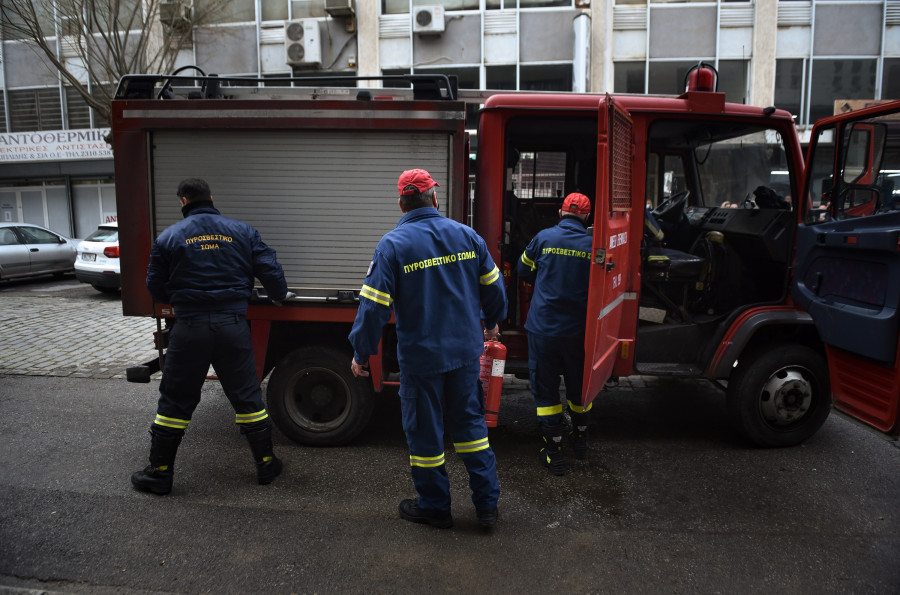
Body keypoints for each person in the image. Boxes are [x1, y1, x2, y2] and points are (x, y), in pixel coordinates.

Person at [348, 169, 507, 530]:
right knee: (471, 429)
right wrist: (493, 321)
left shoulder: (392, 246)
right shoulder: (467, 237)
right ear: (434, 198)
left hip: (421, 360)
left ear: (401, 204)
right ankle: (487, 508)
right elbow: (495, 288)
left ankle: (435, 507)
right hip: (465, 355)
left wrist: (361, 353)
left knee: (425, 435)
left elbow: (372, 307)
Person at [131, 178, 292, 495]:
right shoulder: (242, 231)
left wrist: (180, 299)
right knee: (247, 396)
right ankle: (265, 464)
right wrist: (278, 294)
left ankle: (160, 473)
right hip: (232, 325)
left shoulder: (169, 237)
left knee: (176, 400)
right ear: (211, 197)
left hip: (189, 327)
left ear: (183, 201)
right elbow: (271, 272)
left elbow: (155, 286)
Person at [517, 192, 593, 476]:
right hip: (579, 332)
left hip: (544, 329)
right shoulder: (593, 245)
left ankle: (553, 454)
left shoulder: (544, 238)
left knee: (546, 389)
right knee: (579, 389)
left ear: (561, 213)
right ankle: (581, 442)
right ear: (586, 217)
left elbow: (524, 270)